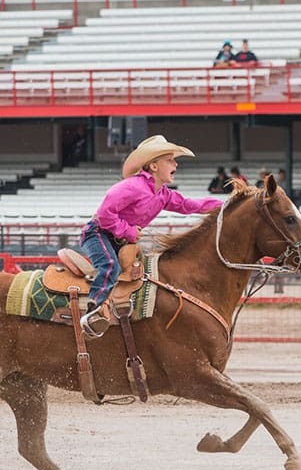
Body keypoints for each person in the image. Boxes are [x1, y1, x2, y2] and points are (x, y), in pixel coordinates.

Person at [79, 135, 223, 337]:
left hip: (119, 239)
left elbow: (189, 205)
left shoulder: (163, 194)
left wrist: (224, 206)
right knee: (110, 265)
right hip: (98, 233)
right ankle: (93, 310)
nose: (176, 164)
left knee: (141, 272)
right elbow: (104, 214)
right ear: (154, 166)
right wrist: (128, 231)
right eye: (170, 160)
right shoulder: (131, 187)